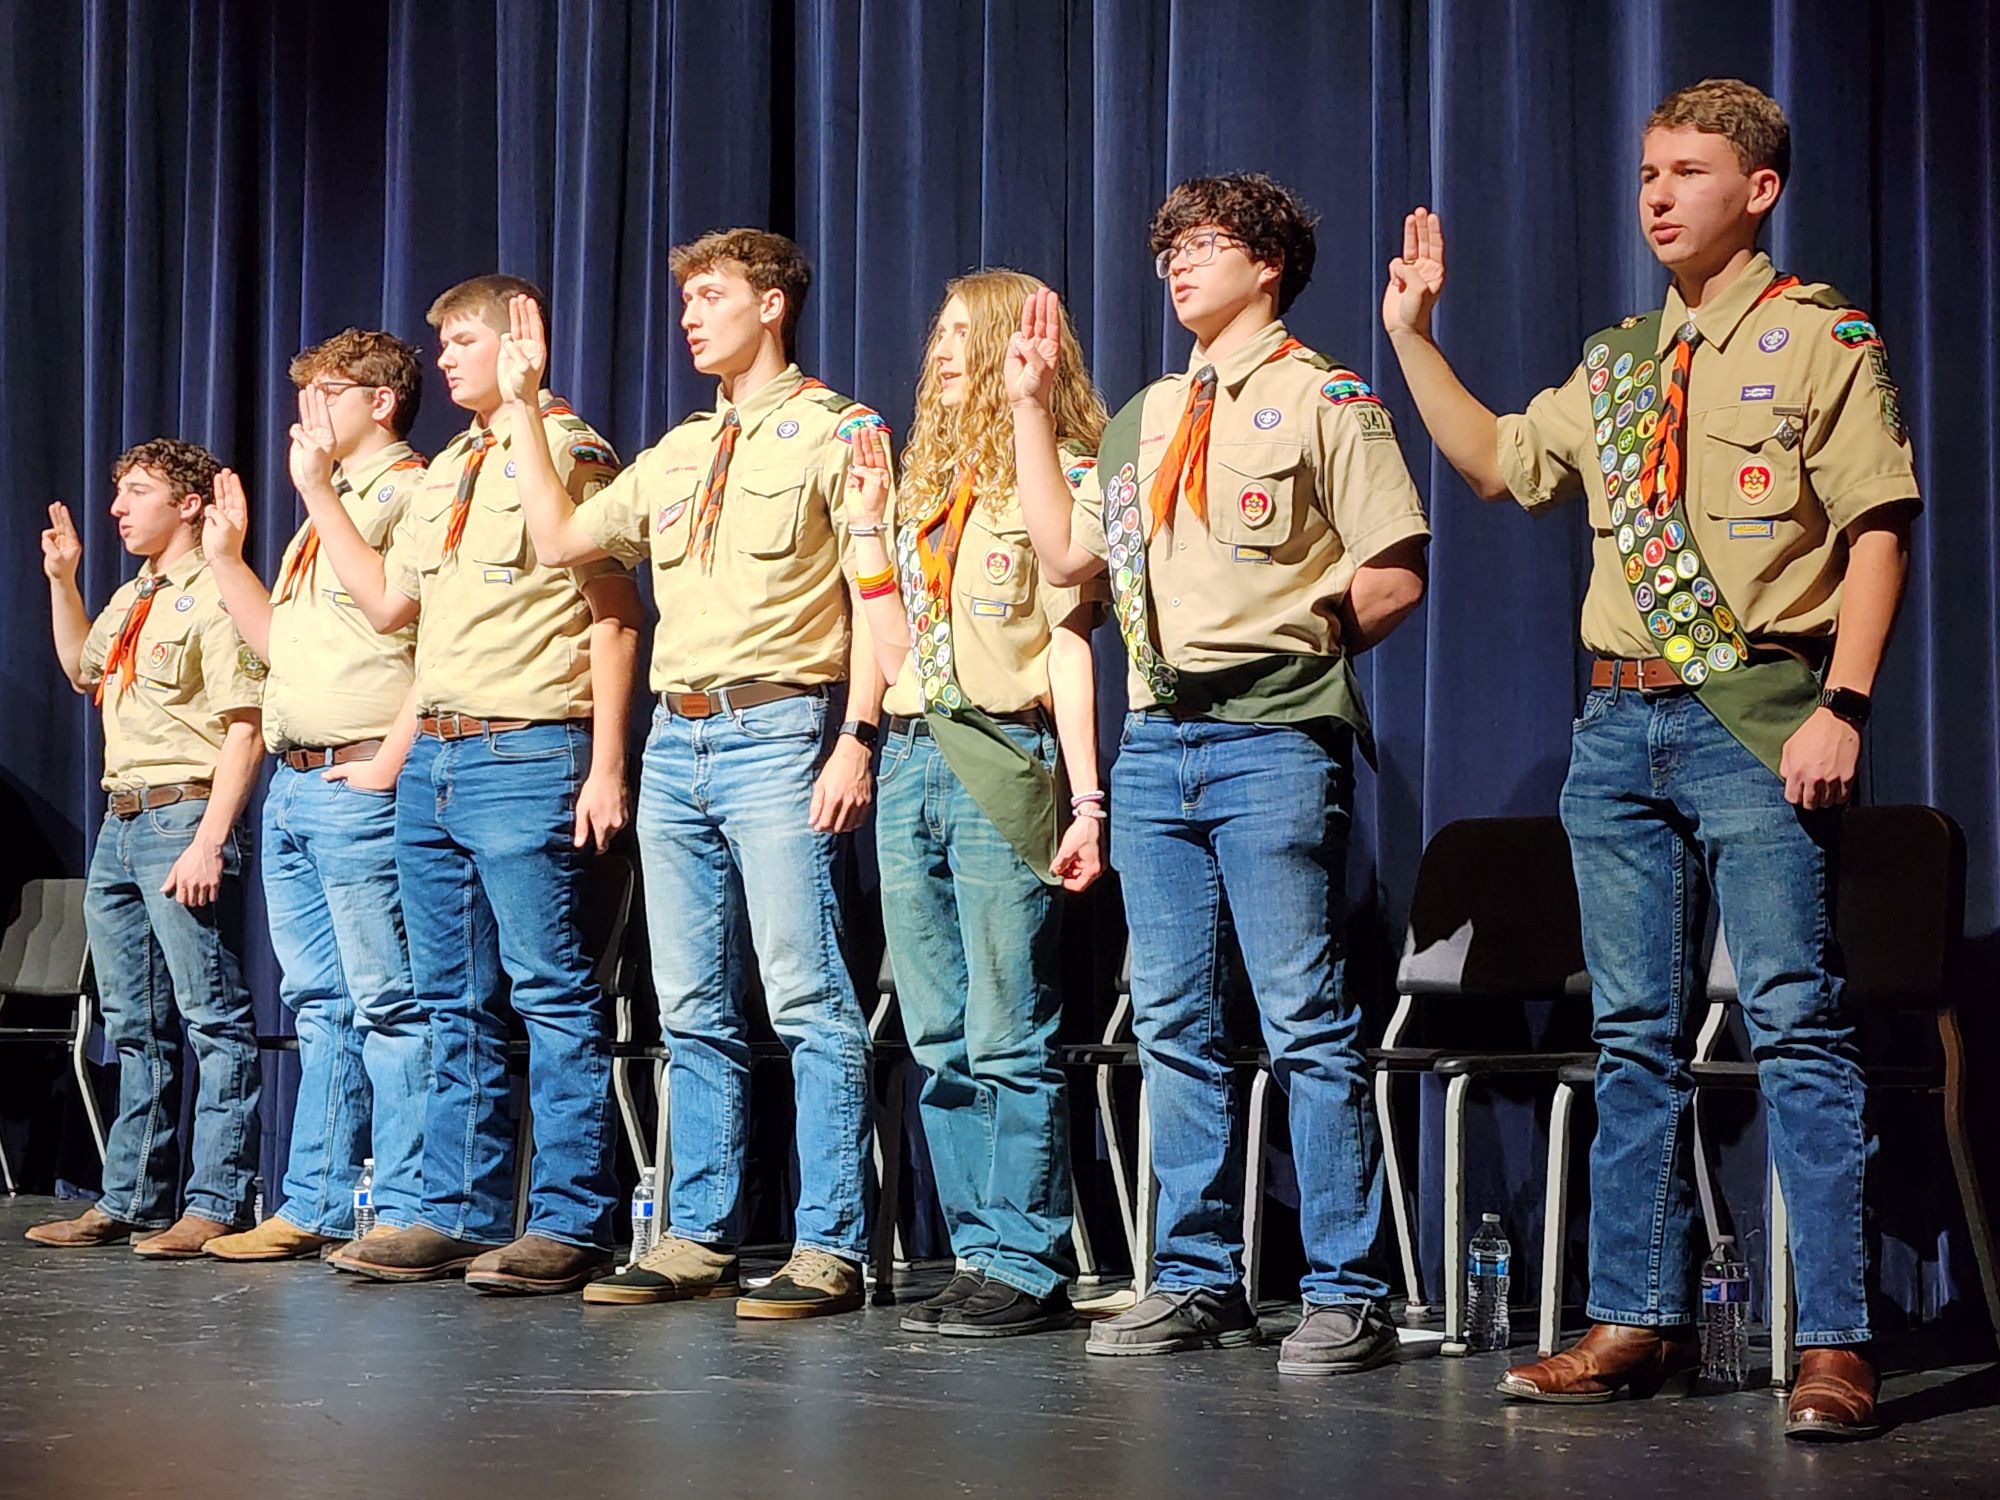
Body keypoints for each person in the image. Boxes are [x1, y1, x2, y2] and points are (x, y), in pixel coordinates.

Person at [1383, 78, 1918, 1440]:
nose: (1659, 196)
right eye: (1645, 174)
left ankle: (1836, 1343)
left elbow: (1874, 530)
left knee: (1795, 1028)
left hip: (1753, 719)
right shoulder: (1619, 363)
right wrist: (1413, 340)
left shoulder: (1818, 338)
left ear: (1759, 190)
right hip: (1617, 726)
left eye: (1687, 171)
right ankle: (1635, 1318)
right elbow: (1502, 464)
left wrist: (1842, 702)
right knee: (1630, 1038)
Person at [1015, 173, 1431, 1373]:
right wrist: (1034, 412)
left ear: (1267, 266)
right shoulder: (1146, 413)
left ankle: (1345, 1289)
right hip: (1155, 750)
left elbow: (1393, 572)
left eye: (1205, 245)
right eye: (1169, 249)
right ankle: (1196, 1279)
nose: (1178, 265)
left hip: (1268, 738)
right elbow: (1062, 555)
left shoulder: (1322, 397)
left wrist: (1292, 649)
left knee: (1303, 1020)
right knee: (1178, 1024)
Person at [505, 230, 886, 1319]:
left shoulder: (838, 431)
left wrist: (856, 734)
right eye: (684, 299)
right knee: (692, 1004)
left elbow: (872, 598)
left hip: (777, 730)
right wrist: (528, 409)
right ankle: (698, 1233)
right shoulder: (675, 453)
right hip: (678, 739)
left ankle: (828, 1246)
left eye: (711, 296)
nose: (689, 316)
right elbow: (563, 539)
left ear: (772, 306)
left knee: (807, 994)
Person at [295, 276, 642, 1295]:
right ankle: (452, 1209)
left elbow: (613, 613)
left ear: (518, 340)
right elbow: (392, 606)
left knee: (549, 993)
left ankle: (571, 1218)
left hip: (527, 749)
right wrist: (316, 489)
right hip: (437, 760)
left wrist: (609, 762)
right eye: (440, 342)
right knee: (451, 999)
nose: (443, 358)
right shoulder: (448, 466)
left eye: (463, 340)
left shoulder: (566, 449)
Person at [839, 270, 1107, 1337]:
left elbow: (1069, 649)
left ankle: (1026, 1260)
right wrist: (865, 536)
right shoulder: (918, 488)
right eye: (937, 332)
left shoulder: (1060, 479)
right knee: (937, 1031)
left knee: (1007, 1030)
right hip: (910, 756)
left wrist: (1087, 799)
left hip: (1001, 756)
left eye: (964, 333)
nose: (941, 352)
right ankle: (971, 1251)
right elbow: (895, 648)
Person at [198, 329, 430, 1262]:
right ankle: (317, 1204)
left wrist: (390, 762)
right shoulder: (319, 510)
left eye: (327, 393)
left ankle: (409, 1204)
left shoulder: (407, 493)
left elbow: (419, 633)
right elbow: (280, 646)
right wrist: (224, 559)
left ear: (380, 401)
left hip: (362, 774)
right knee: (321, 1005)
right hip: (297, 785)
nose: (306, 413)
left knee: (387, 1001)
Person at [30, 440, 266, 1257]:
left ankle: (216, 1200)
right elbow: (81, 671)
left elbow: (247, 724)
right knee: (134, 1024)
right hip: (119, 821)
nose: (118, 508)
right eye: (119, 493)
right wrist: (64, 583)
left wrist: (210, 839)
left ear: (190, 503)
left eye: (137, 493)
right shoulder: (136, 594)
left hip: (182, 813)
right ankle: (130, 1197)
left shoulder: (216, 593)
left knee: (211, 1020)